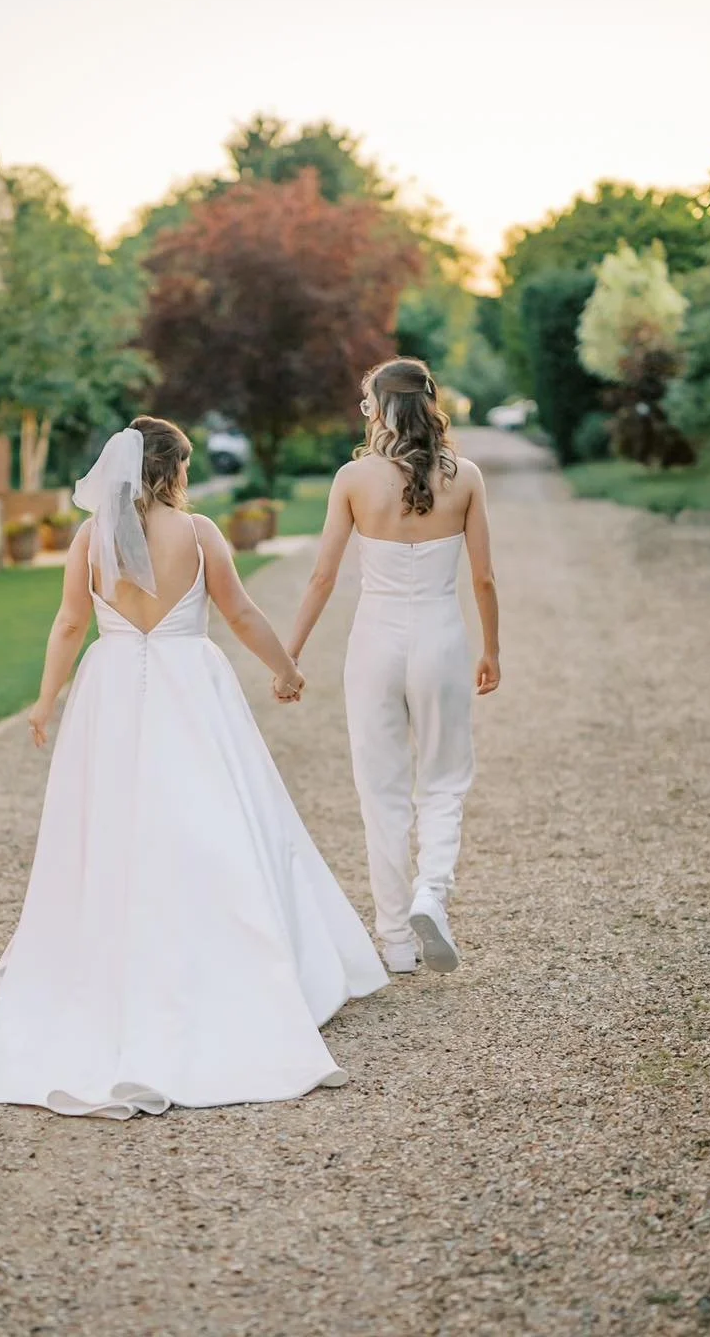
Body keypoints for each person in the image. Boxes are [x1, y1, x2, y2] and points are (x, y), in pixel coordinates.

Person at [0, 416, 387, 1119]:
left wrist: (44, 702)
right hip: (192, 682)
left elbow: (69, 623)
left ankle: (114, 962)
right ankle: (230, 963)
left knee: (114, 826)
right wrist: (285, 668)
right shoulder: (200, 533)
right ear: (171, 471)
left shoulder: (92, 539)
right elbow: (240, 612)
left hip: (111, 687)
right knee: (211, 819)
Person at [286, 359, 500, 977]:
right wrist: (492, 650)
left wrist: (291, 656)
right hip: (440, 638)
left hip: (374, 644)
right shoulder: (466, 478)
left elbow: (323, 576)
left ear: (380, 409)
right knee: (444, 779)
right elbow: (483, 577)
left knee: (379, 792)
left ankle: (395, 944)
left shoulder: (353, 478)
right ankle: (432, 890)